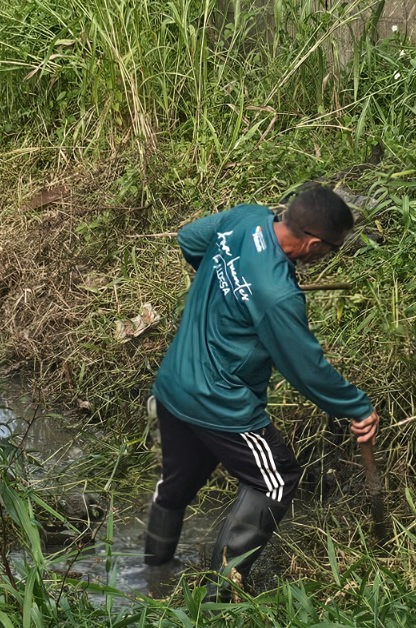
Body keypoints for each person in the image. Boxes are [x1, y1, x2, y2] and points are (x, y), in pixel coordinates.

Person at [142, 183, 380, 597]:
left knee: (175, 486)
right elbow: (305, 367)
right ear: (313, 244)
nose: (327, 257)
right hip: (220, 404)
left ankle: (153, 577)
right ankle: (220, 593)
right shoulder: (276, 294)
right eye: (331, 249)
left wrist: (225, 287)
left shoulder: (245, 217)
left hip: (174, 385)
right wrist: (356, 407)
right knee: (276, 480)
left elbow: (190, 239)